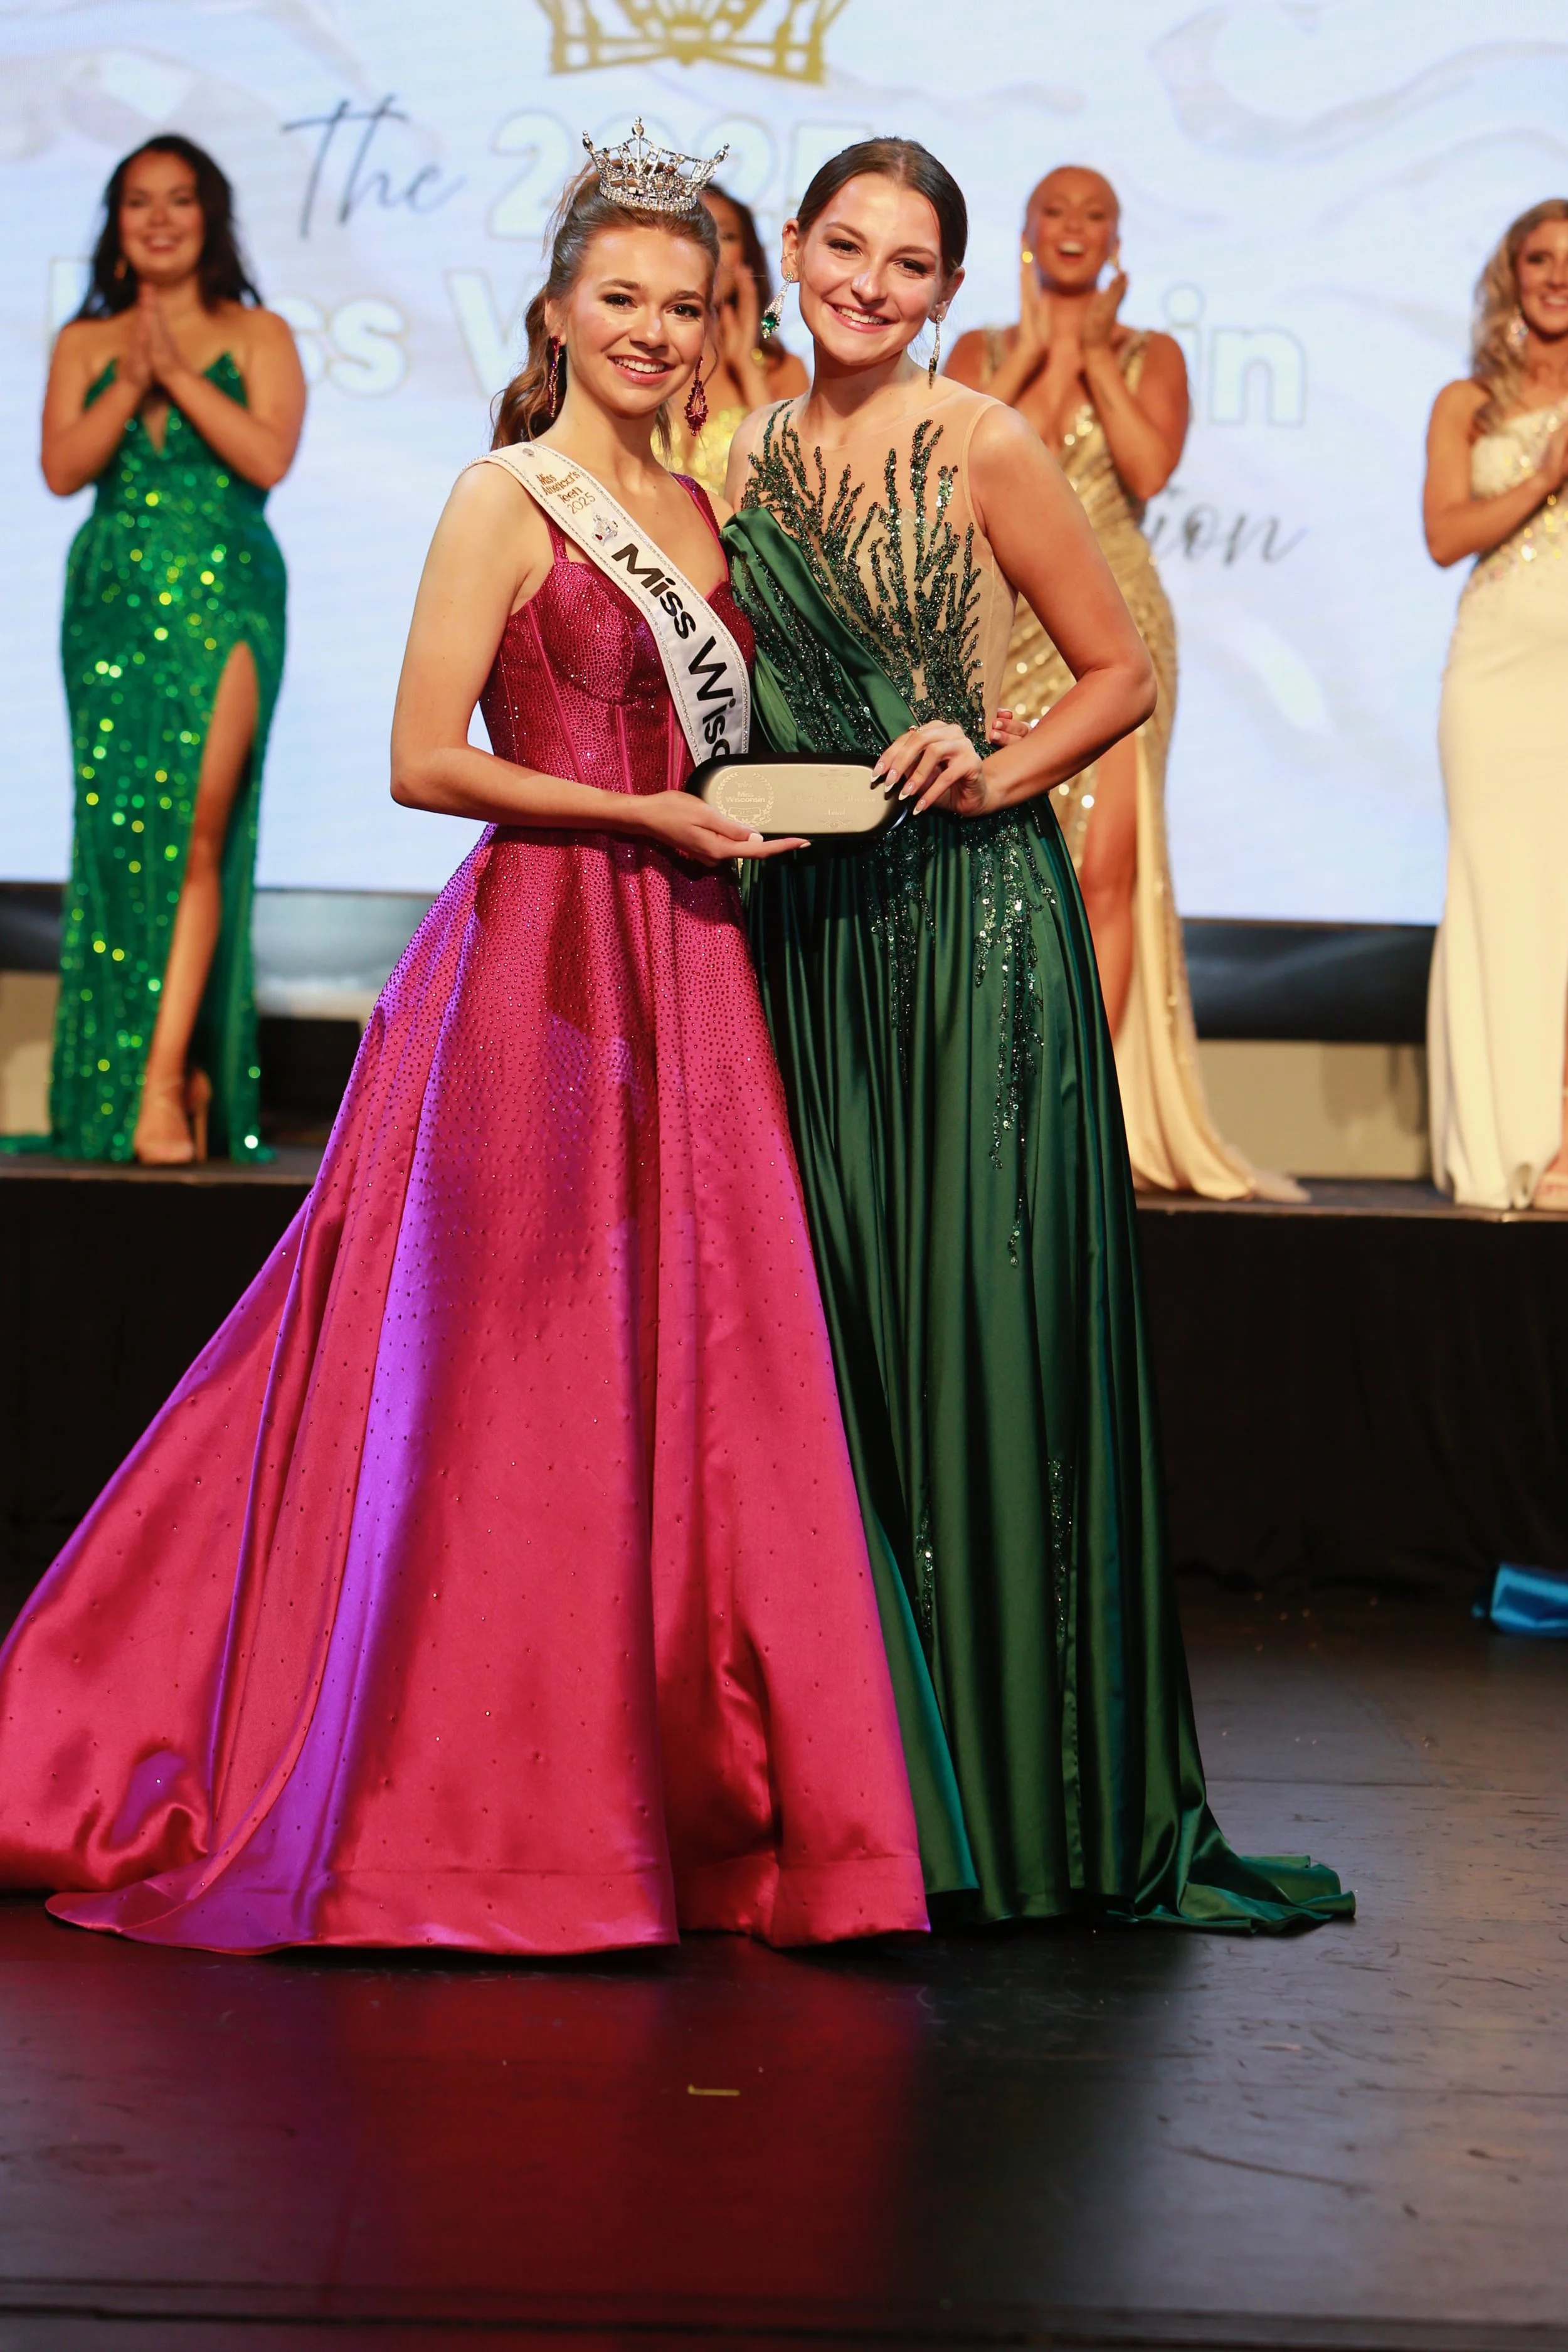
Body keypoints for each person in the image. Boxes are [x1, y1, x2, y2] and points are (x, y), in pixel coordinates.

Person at [0, 144, 927, 1956]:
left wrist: (784, 801)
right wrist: (641, 813)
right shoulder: (505, 495)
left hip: (693, 967)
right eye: (622, 299)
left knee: (691, 1378)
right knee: (511, 1384)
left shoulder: (709, 515)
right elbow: (427, 760)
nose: (653, 332)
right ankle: (480, 1804)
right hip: (541, 967)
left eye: (684, 305)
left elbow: (719, 736)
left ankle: (680, 1797)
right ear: (556, 311)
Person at [724, 137, 1350, 1930]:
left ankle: (1012, 1804)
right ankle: (866, 1796)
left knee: (971, 1331)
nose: (866, 282)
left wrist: (993, 763)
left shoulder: (980, 434)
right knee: (844, 1344)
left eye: (906, 262)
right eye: (842, 245)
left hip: (973, 943)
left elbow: (1119, 670)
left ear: (944, 285)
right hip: (812, 942)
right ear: (792, 246)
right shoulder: (742, 446)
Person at [946, 166, 1298, 1201]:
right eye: (1055, 211)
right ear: (1025, 232)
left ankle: (1078, 1111)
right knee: (1000, 870)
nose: (1073, 229)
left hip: (1116, 623)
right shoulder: (978, 356)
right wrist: (1049, 355)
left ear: (1117, 239)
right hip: (1007, 620)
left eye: (1094, 215)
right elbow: (1013, 460)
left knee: (1107, 870)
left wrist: (1094, 356)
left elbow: (1144, 471)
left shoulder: (1156, 354)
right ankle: (990, 1101)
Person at [35, 136, 304, 1164]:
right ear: (116, 222)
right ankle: (158, 1069)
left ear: (210, 217)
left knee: (199, 829)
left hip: (226, 593)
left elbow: (267, 455)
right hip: (108, 600)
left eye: (179, 200)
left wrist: (179, 375)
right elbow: (63, 470)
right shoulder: (83, 342)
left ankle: (160, 1085)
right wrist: (125, 378)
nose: (159, 219)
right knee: (118, 841)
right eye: (138, 202)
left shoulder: (259, 330)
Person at [1424, 198, 1568, 1211]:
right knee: (1498, 896)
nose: (1557, 276)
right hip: (1494, 674)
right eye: (1539, 258)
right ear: (1511, 274)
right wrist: (1546, 478)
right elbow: (1444, 533)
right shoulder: (1465, 402)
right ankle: (1503, 1142)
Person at [666, 185, 807, 499]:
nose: (711, 248)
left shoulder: (783, 370)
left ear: (748, 257)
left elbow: (795, 497)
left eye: (727, 236)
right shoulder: (641, 358)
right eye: (693, 229)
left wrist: (746, 368)